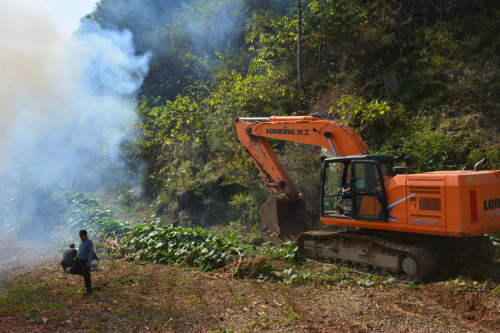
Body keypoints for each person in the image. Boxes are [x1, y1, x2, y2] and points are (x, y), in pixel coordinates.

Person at [70, 230, 94, 296]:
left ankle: (88, 290)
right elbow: (79, 249)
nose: (79, 237)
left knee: (86, 277)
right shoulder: (80, 241)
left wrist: (89, 263)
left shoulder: (89, 242)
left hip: (85, 261)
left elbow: (90, 253)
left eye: (80, 235)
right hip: (78, 260)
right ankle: (84, 273)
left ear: (84, 235)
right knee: (72, 270)